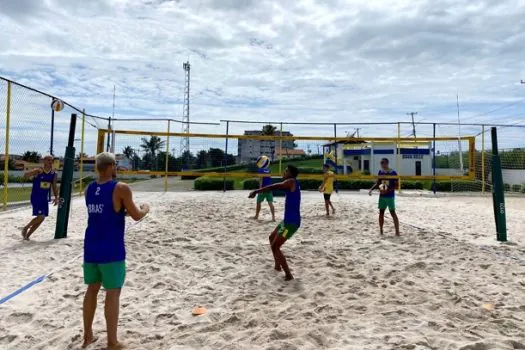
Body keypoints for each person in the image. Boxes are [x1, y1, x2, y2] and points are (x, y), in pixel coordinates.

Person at [82, 152, 150, 349]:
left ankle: (87, 335)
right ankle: (112, 341)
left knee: (92, 290)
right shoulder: (121, 188)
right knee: (112, 293)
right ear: (111, 166)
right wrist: (146, 208)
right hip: (110, 249)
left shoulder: (89, 189)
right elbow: (136, 215)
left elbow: (110, 212)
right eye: (115, 164)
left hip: (91, 248)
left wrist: (125, 212)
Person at [249, 165, 301, 281]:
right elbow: (278, 186)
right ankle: (278, 266)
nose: (284, 172)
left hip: (291, 223)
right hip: (287, 221)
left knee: (275, 246)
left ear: (291, 173)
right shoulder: (292, 183)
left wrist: (257, 191)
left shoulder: (291, 181)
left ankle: (289, 275)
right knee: (271, 237)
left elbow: (276, 186)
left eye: (286, 171)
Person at [21, 154, 58, 240]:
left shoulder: (53, 174)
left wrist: (56, 197)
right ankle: (25, 228)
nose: (50, 162)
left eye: (51, 160)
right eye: (48, 160)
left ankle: (27, 236)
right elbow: (25, 175)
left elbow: (54, 186)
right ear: (44, 161)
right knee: (41, 216)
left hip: (44, 199)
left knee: (42, 218)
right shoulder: (39, 171)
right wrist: (32, 172)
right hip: (36, 197)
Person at [368, 158, 400, 236]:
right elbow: (378, 183)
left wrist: (387, 190)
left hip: (390, 196)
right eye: (381, 163)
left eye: (383, 163)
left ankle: (397, 232)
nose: (382, 164)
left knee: (393, 213)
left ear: (387, 163)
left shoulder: (393, 172)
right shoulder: (380, 172)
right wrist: (371, 189)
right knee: (381, 213)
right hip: (382, 196)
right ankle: (381, 231)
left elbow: (397, 186)